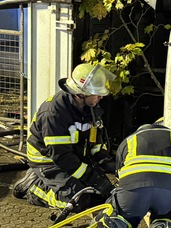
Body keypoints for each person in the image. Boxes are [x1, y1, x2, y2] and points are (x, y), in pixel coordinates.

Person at [13, 63, 115, 211]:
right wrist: (91, 176)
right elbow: (61, 156)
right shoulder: (54, 113)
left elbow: (94, 138)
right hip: (48, 162)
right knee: (78, 202)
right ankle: (32, 186)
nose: (101, 97)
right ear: (82, 93)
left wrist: (104, 160)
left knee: (102, 195)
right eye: (97, 94)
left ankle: (47, 182)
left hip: (74, 158)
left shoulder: (90, 108)